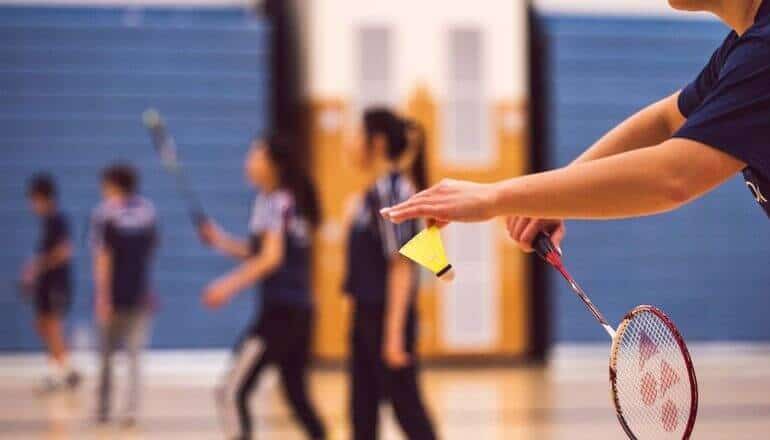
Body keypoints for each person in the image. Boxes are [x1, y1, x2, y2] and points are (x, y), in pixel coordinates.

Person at [382, 0, 770, 252]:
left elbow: (674, 176)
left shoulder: (763, 51)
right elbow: (666, 119)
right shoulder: (741, 48)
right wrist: (551, 195)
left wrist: (494, 197)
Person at [198, 136, 326, 440]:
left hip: (280, 315)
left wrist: (227, 286)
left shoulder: (277, 201)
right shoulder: (278, 200)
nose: (248, 162)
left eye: (254, 155)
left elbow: (271, 258)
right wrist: (221, 241)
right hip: (299, 312)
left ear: (272, 165)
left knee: (230, 391)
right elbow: (262, 251)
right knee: (296, 394)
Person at [343, 108, 437, 440]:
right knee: (362, 414)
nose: (349, 143)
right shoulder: (378, 190)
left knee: (408, 411)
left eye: (356, 134)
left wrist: (394, 334)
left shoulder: (393, 190)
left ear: (377, 142)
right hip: (367, 316)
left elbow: (401, 264)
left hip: (384, 318)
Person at [91, 163, 157, 426]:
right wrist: (148, 289)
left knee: (106, 357)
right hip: (139, 295)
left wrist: (102, 296)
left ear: (113, 184)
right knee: (134, 357)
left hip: (115, 297)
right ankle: (130, 411)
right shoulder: (148, 212)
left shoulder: (104, 214)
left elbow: (102, 257)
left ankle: (104, 410)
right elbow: (149, 255)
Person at [21, 174, 81, 391]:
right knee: (43, 325)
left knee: (53, 326)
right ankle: (67, 370)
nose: (31, 205)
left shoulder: (58, 219)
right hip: (46, 283)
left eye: (33, 199)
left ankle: (58, 374)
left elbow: (65, 251)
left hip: (57, 283)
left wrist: (39, 265)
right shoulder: (47, 222)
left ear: (43, 197)